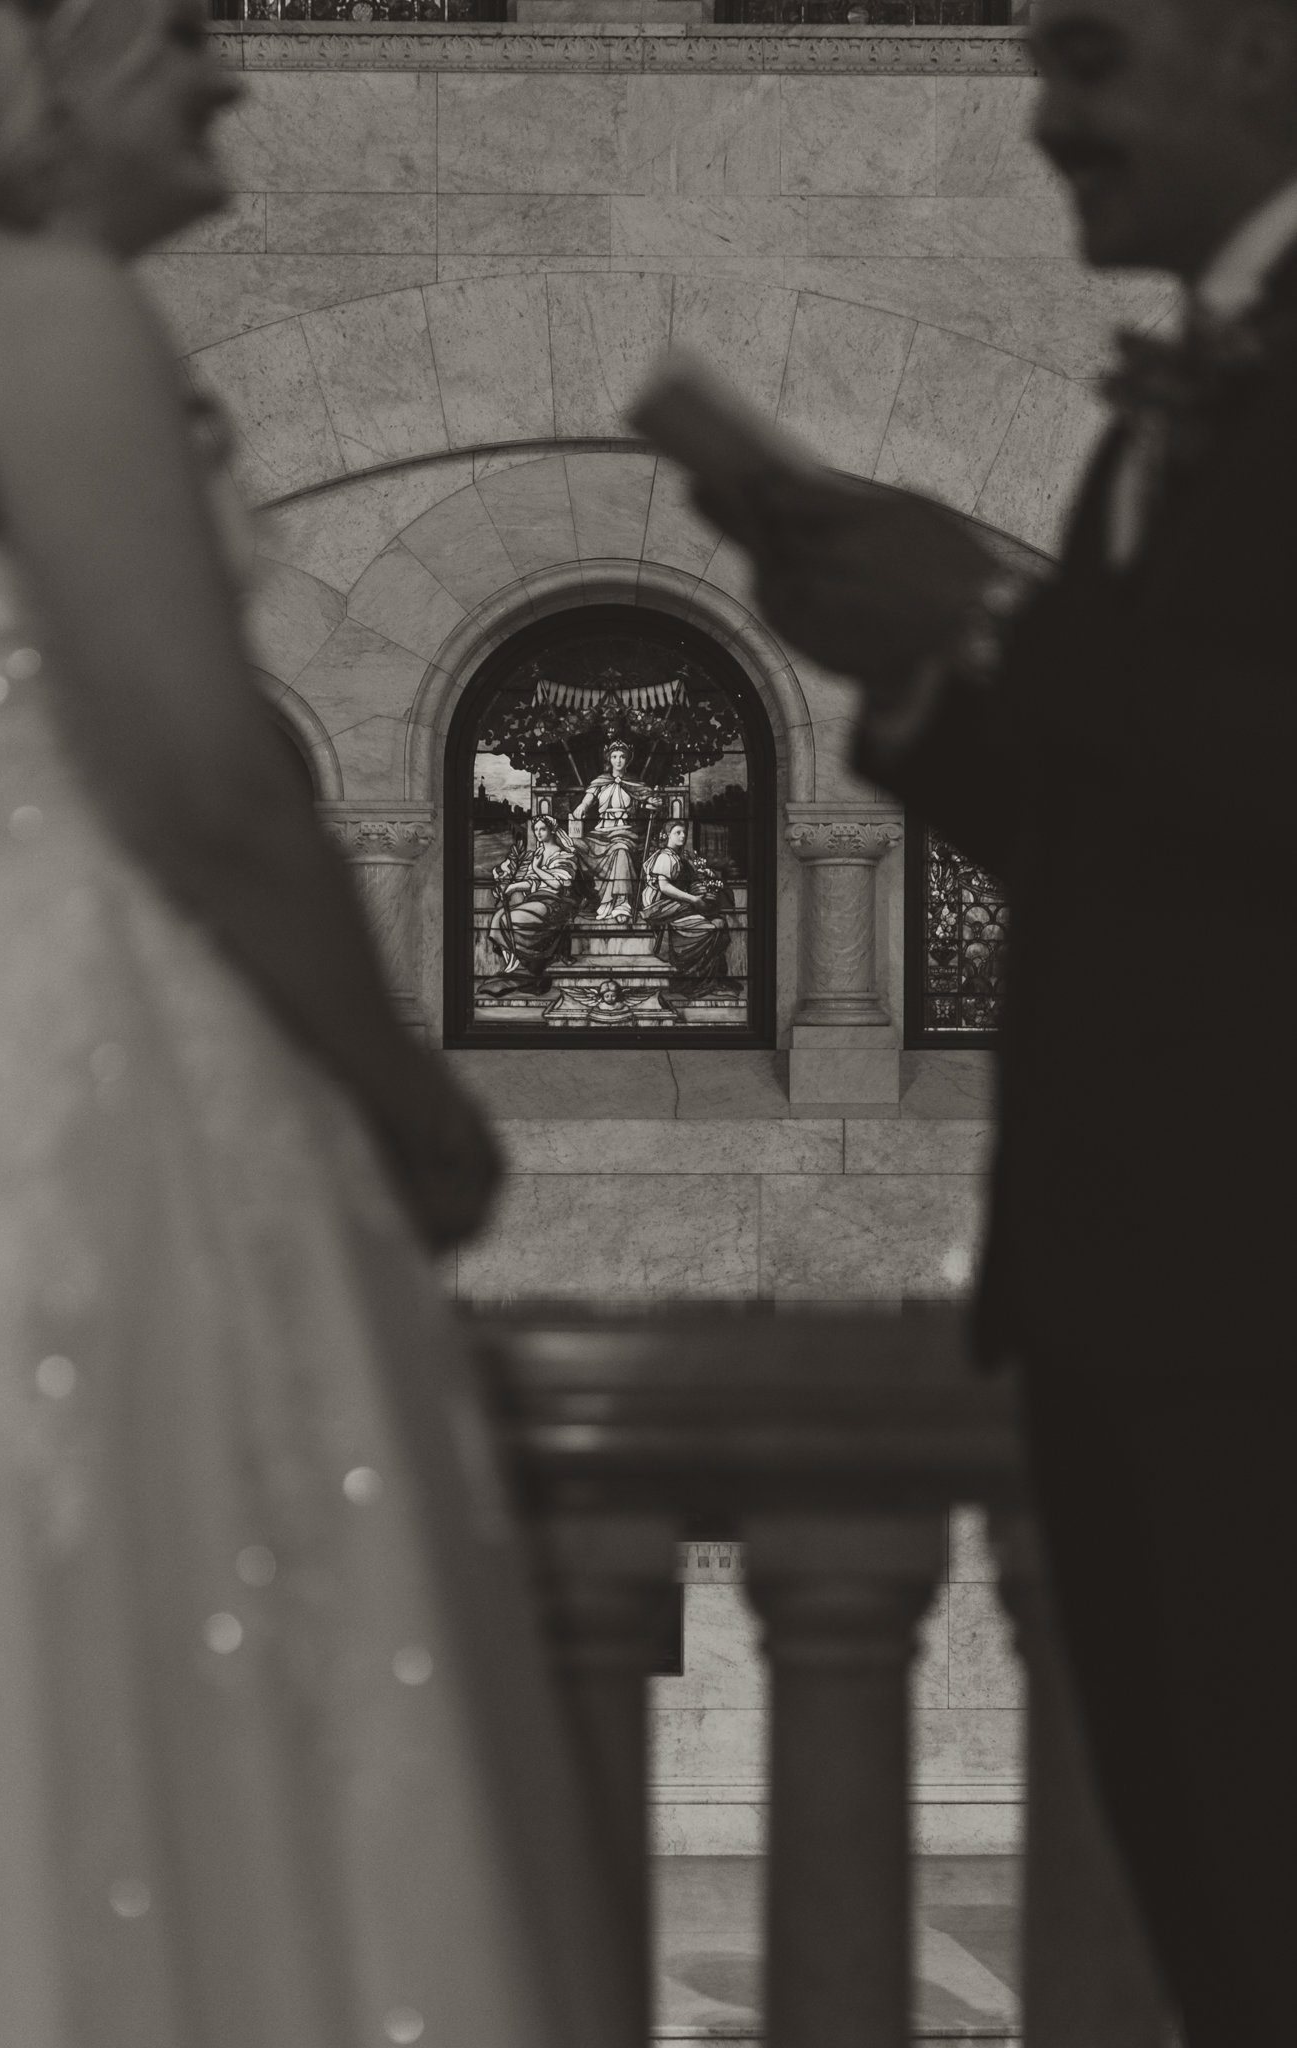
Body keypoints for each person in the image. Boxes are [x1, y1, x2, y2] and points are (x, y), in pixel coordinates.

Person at [0, 4, 630, 2045]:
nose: (230, 77)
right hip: (72, 1073)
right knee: (147, 1649)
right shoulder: (37, 310)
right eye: (176, 39)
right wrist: (412, 1103)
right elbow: (205, 782)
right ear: (32, 74)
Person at [682, 2, 1296, 2042]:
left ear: (1253, 55)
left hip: (1259, 1308)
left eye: (1089, 57)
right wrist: (917, 673)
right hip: (1141, 1307)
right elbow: (1140, 833)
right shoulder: (1175, 409)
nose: (1040, 117)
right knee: (1223, 1924)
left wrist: (998, 622)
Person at [480, 813, 581, 997]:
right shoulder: (538, 854)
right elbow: (532, 882)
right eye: (535, 829)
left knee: (514, 918)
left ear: (552, 830)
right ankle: (513, 966)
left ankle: (522, 968)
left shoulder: (565, 855)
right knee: (499, 917)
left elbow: (557, 884)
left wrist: (537, 868)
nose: (538, 833)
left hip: (554, 902)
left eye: (542, 829)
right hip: (536, 900)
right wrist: (511, 888)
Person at [640, 821, 735, 996]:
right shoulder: (665, 857)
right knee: (711, 929)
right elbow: (664, 887)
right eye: (677, 832)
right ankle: (694, 980)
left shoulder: (680, 856)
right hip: (662, 906)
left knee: (719, 924)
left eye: (684, 832)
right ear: (667, 835)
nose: (683, 836)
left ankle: (711, 978)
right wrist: (694, 900)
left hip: (678, 905)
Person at [569, 739, 660, 920]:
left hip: (624, 832)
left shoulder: (635, 783)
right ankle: (582, 898)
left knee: (621, 851)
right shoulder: (600, 781)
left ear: (628, 760)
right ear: (609, 759)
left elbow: (649, 799)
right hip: (600, 833)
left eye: (622, 757)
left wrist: (653, 802)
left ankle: (621, 904)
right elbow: (587, 801)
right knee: (573, 847)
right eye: (615, 756)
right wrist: (581, 808)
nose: (618, 760)